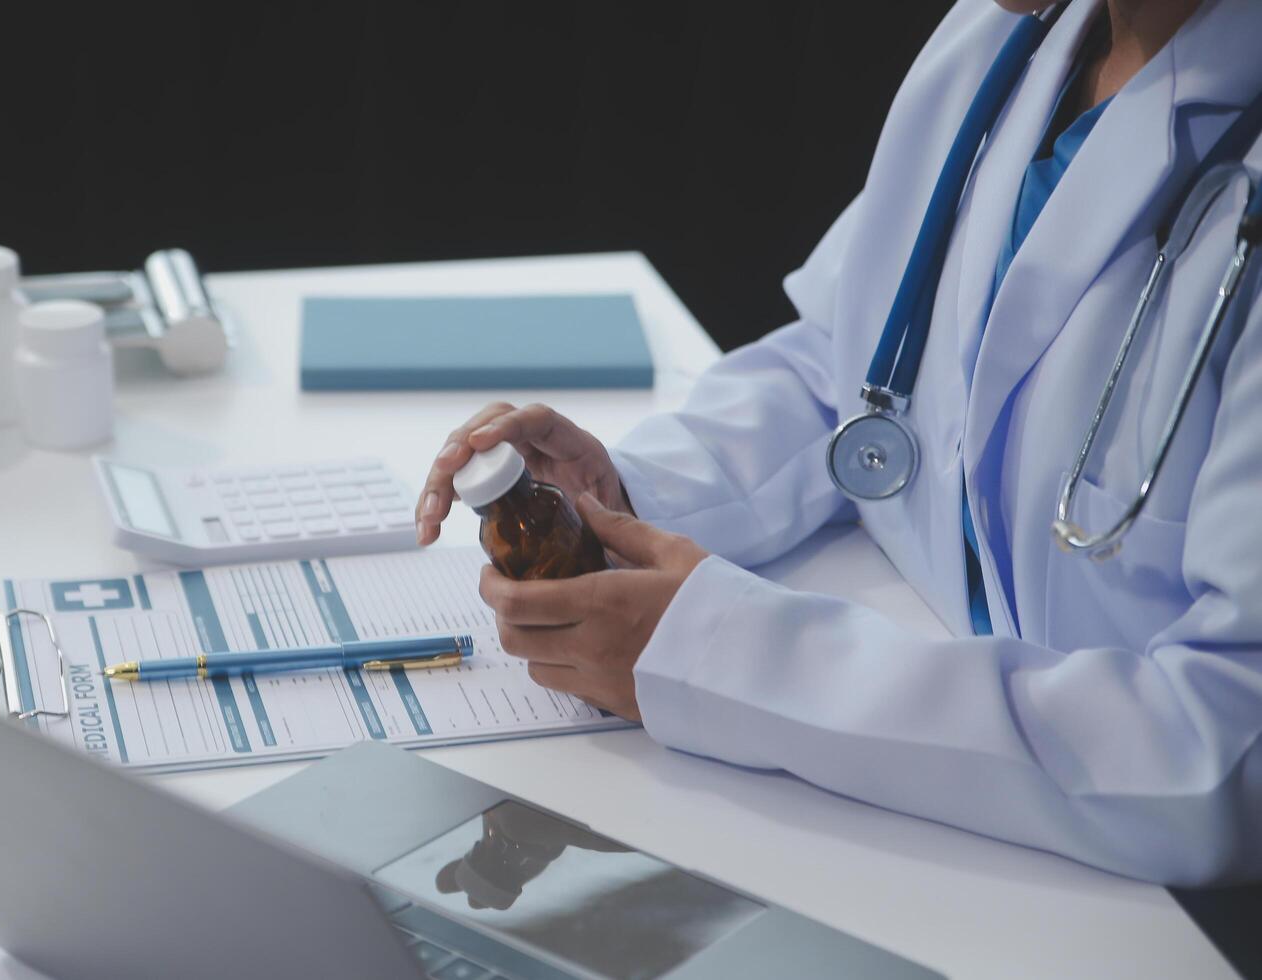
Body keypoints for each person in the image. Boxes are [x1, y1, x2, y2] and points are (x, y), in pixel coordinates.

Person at [414, 0, 1262, 886]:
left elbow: (1223, 754)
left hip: (1147, 913)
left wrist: (735, 658)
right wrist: (617, 500)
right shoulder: (1008, 38)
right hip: (934, 839)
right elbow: (858, 363)